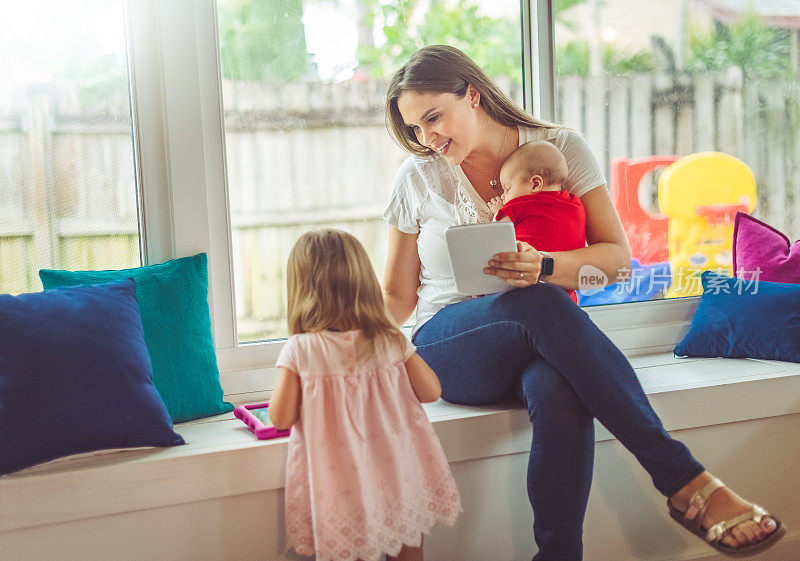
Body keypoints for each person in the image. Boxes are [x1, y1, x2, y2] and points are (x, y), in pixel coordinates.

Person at [381, 44, 784, 560]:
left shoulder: (559, 150)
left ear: (473, 95)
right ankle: (686, 482)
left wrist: (545, 264)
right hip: (452, 346)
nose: (426, 138)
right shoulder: (416, 178)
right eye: (414, 129)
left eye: (433, 118)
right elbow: (396, 295)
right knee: (546, 306)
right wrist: (340, 338)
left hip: (545, 338)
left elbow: (616, 262)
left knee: (557, 384)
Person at [269, 229, 461, 561]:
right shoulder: (390, 340)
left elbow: (280, 417)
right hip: (399, 476)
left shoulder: (301, 350)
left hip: (342, 487)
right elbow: (431, 391)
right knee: (409, 549)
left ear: (302, 290)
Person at [487, 139, 586, 303]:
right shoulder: (576, 206)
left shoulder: (518, 205)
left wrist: (498, 211)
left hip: (519, 287)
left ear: (535, 183)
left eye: (507, 188)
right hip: (564, 295)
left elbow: (496, 235)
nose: (504, 196)